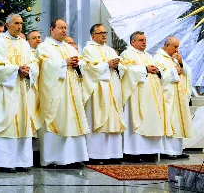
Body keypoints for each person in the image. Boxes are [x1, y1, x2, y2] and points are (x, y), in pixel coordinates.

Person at [0, 14, 39, 173]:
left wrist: (29, 71)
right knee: (6, 124)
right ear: (7, 25)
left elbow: (34, 63)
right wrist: (15, 69)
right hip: (6, 91)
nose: (19, 26)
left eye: (21, 23)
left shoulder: (24, 43)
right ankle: (5, 162)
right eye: (16, 23)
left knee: (22, 124)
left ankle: (22, 161)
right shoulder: (0, 41)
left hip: (21, 90)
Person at [37, 19, 89, 168]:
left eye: (65, 28)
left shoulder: (70, 48)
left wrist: (78, 64)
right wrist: (63, 63)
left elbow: (83, 63)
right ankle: (53, 159)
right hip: (55, 92)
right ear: (52, 29)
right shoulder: (44, 47)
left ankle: (74, 158)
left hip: (72, 90)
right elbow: (44, 65)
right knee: (56, 120)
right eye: (61, 28)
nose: (64, 31)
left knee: (73, 121)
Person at [121, 31, 170, 162]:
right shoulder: (127, 54)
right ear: (133, 42)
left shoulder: (148, 55)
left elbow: (159, 70)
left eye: (145, 40)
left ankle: (149, 151)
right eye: (141, 40)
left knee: (151, 122)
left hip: (152, 96)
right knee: (137, 121)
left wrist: (157, 71)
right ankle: (134, 152)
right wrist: (145, 69)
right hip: (137, 95)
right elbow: (127, 71)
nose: (144, 42)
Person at [82, 24, 126, 164]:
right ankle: (96, 155)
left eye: (105, 33)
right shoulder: (88, 49)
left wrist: (118, 65)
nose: (103, 35)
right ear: (93, 36)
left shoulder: (110, 50)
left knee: (113, 120)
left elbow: (123, 67)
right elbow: (88, 68)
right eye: (100, 33)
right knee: (98, 120)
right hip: (97, 90)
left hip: (112, 88)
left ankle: (114, 153)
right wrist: (107, 65)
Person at [154, 37, 193, 159]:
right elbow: (159, 77)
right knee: (169, 121)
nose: (177, 49)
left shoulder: (175, 58)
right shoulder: (158, 58)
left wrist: (181, 63)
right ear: (166, 45)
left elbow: (187, 72)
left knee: (178, 122)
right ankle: (167, 151)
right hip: (167, 96)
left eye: (178, 47)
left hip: (178, 95)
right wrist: (173, 71)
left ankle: (177, 150)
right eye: (175, 47)